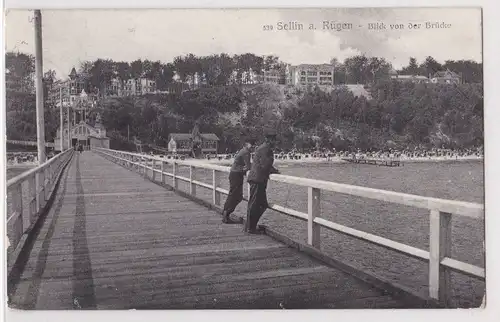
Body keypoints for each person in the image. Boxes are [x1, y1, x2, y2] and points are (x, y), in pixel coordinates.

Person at [245, 129, 280, 234]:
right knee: (255, 204)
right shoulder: (266, 149)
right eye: (273, 140)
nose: (274, 142)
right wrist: (273, 170)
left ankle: (250, 226)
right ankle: (250, 228)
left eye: (274, 140)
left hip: (257, 179)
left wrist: (273, 170)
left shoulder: (263, 148)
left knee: (260, 204)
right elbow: (265, 165)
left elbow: (265, 164)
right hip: (257, 179)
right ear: (269, 140)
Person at [221, 137, 256, 224]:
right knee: (235, 196)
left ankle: (226, 213)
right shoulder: (246, 152)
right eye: (252, 145)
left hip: (235, 174)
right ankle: (226, 214)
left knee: (236, 195)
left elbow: (246, 166)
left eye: (254, 145)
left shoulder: (243, 151)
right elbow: (248, 167)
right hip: (236, 175)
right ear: (247, 144)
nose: (253, 147)